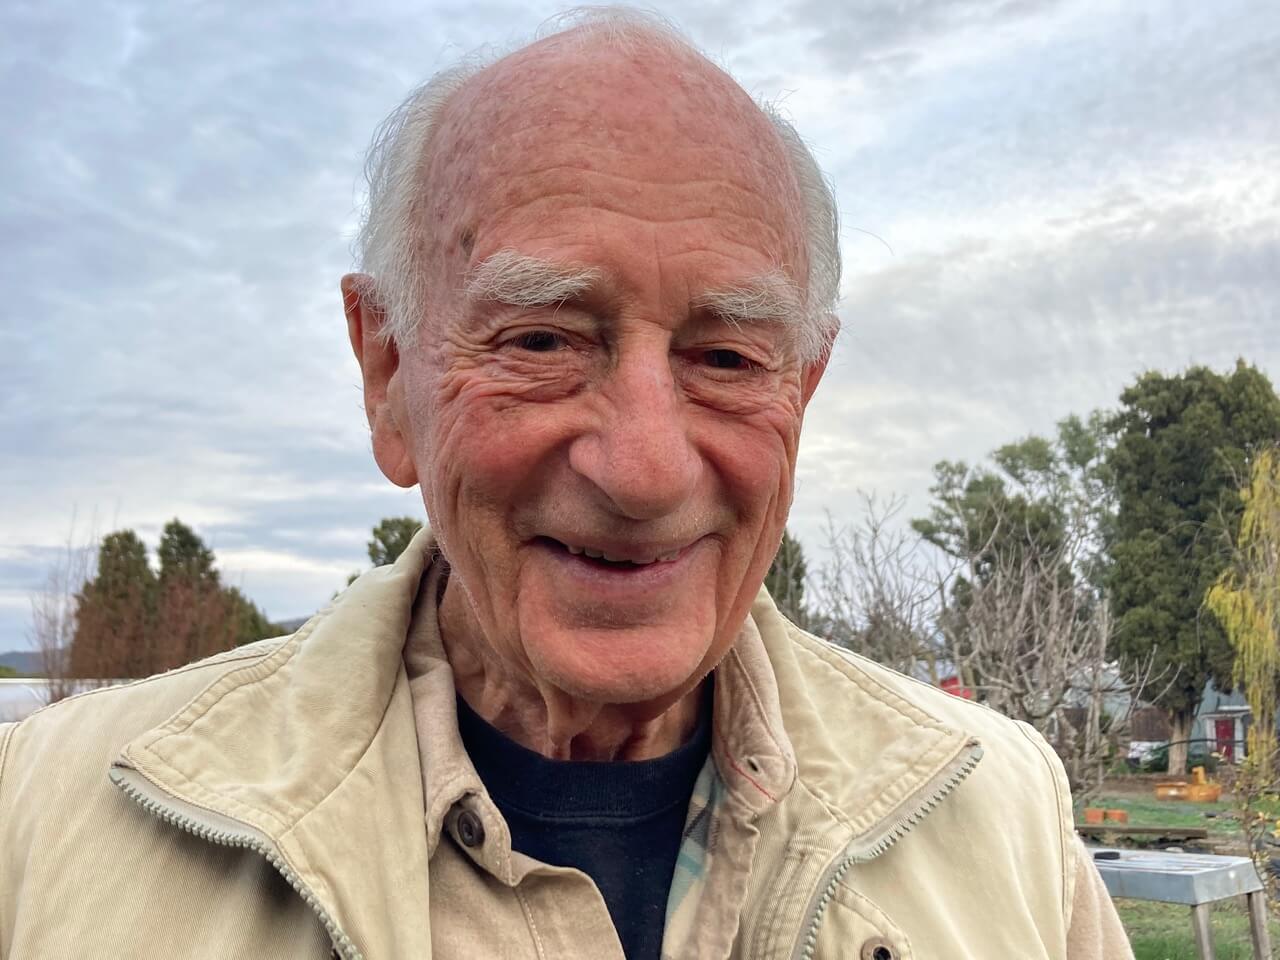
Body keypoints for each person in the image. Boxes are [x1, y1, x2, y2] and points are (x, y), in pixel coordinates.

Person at [0, 9, 1133, 959]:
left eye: (725, 358)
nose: (644, 470)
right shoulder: (42, 823)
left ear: (803, 389)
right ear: (387, 373)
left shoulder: (1002, 820)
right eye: (542, 341)